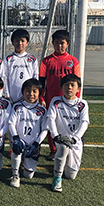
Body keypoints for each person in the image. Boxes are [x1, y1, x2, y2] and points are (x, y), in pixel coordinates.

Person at [39, 30, 80, 160]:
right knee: (51, 124)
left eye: (62, 43)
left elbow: (77, 82)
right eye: (56, 43)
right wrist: (41, 97)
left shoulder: (73, 61)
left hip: (68, 100)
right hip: (51, 98)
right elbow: (41, 81)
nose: (59, 46)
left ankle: (68, 149)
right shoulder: (46, 61)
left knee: (66, 123)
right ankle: (53, 150)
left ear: (68, 43)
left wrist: (77, 98)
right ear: (52, 44)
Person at [47, 74, 89, 193]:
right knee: (63, 147)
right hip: (60, 140)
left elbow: (84, 123)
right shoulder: (56, 101)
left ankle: (61, 166)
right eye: (66, 85)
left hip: (75, 142)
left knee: (71, 176)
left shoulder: (82, 104)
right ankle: (57, 178)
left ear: (78, 89)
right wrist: (55, 136)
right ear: (61, 87)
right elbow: (50, 118)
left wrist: (75, 138)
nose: (69, 88)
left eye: (72, 85)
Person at [7, 78, 47, 188]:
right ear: (23, 92)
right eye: (28, 91)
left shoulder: (42, 110)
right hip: (19, 140)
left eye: (34, 91)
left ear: (39, 93)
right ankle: (15, 174)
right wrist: (15, 138)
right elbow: (11, 123)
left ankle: (24, 163)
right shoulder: (17, 106)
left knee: (28, 175)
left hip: (32, 143)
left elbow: (45, 129)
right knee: (16, 150)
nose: (31, 94)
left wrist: (37, 143)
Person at [0, 28, 38, 103]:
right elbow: (4, 77)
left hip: (28, 97)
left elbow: (35, 78)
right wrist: (7, 95)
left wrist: (34, 93)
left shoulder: (32, 59)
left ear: (27, 43)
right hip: (13, 97)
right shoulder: (8, 59)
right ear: (13, 43)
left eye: (22, 41)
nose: (20, 43)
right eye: (17, 41)